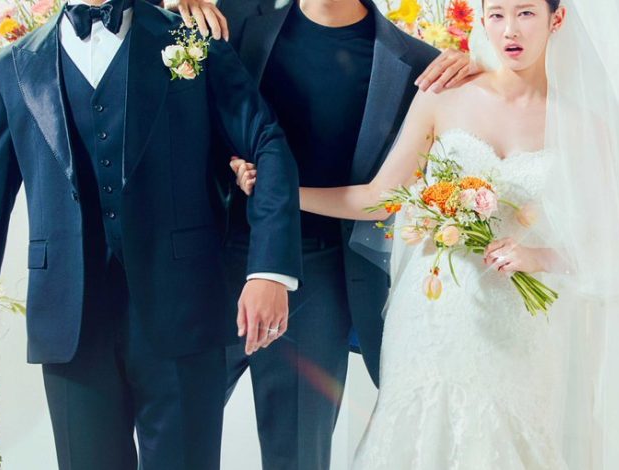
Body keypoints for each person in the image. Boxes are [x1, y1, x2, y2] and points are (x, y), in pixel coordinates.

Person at [232, 0, 619, 467]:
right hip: (431, 313)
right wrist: (282, 191)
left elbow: (608, 246)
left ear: (558, 18)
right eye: (497, 14)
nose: (510, 29)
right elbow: (379, 197)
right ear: (482, 20)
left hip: (517, 326)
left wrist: (536, 256)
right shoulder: (444, 95)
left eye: (527, 13)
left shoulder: (583, 126)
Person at [0, 0, 302, 468]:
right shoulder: (11, 66)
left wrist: (270, 271)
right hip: (70, 328)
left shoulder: (190, 41)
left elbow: (266, 141)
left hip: (183, 311)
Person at [191, 0, 476, 467]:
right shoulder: (240, 28)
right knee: (175, 439)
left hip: (320, 278)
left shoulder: (417, 64)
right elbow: (187, 123)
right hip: (220, 264)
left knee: (299, 455)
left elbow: (494, 103)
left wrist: (477, 65)